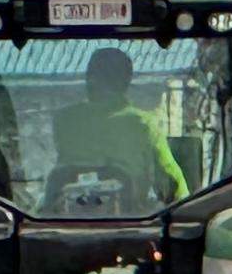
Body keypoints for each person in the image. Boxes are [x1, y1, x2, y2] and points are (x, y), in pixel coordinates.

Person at [46, 48, 188, 211]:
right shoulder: (143, 123)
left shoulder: (64, 119)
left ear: (89, 78)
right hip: (130, 221)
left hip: (63, 221)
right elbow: (170, 179)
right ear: (126, 82)